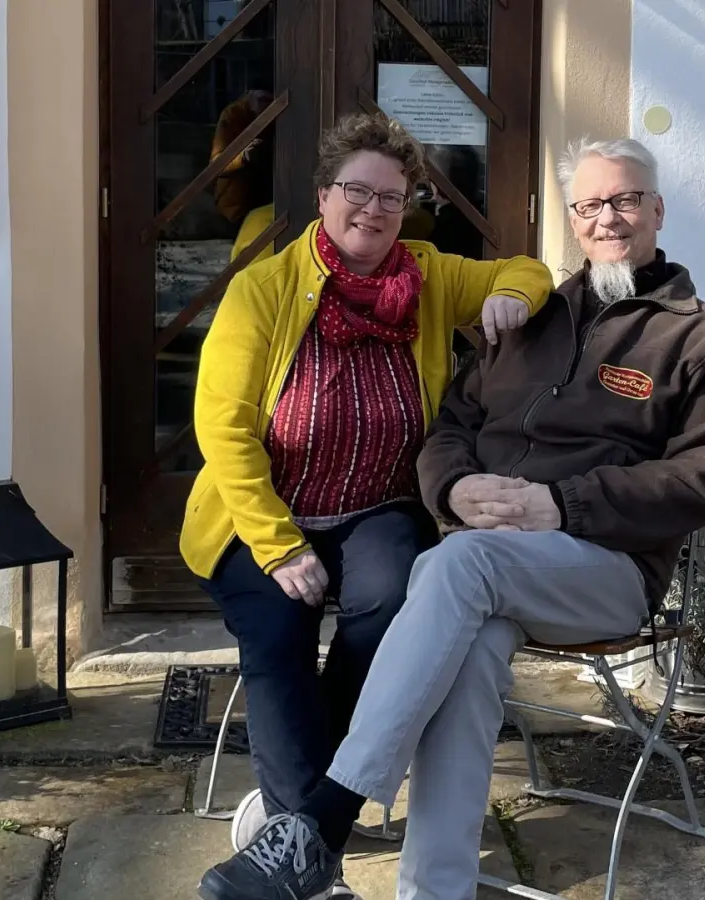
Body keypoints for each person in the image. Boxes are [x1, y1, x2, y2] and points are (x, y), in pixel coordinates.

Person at [196, 136, 705, 900]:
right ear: (571, 219)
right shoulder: (532, 319)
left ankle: (321, 823)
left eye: (625, 200)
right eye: (590, 205)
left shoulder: (702, 338)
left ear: (656, 209)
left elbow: (704, 478)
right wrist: (454, 492)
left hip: (606, 569)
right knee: (469, 646)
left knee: (456, 564)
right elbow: (451, 424)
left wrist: (561, 503)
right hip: (494, 572)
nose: (609, 219)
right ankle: (435, 889)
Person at [180, 112, 554, 899]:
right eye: (358, 190)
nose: (375, 209)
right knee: (279, 635)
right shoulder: (265, 289)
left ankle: (295, 834)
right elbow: (223, 428)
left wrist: (511, 301)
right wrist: (280, 547)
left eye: (394, 195)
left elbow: (527, 270)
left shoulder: (428, 274)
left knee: (389, 611)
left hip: (376, 504)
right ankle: (315, 866)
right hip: (263, 512)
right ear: (324, 195)